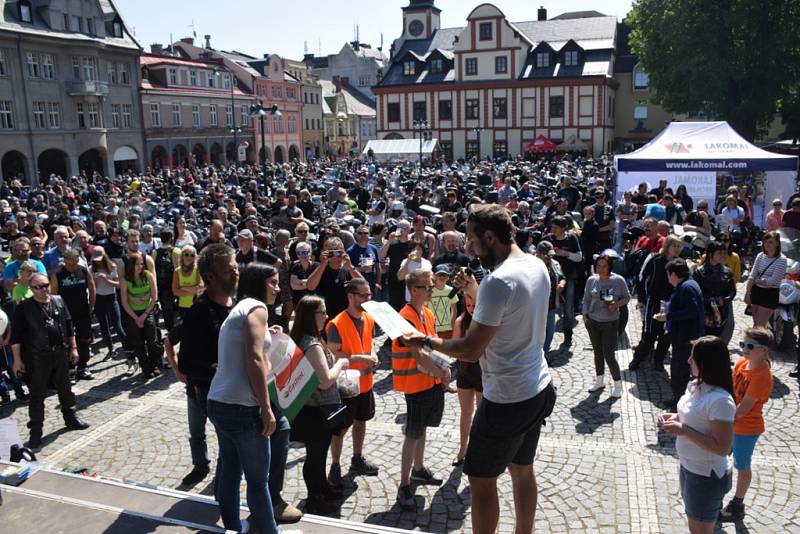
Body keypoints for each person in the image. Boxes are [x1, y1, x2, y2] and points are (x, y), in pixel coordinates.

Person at [403, 204, 556, 534]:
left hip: (507, 398)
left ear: (490, 236)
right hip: (538, 386)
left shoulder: (497, 282)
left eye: (471, 239)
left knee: (481, 480)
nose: (468, 247)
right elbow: (513, 315)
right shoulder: (535, 265)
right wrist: (475, 292)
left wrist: (425, 340)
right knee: (522, 469)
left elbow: (470, 350)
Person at [207, 263, 282, 534]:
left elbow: (248, 350)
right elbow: (254, 357)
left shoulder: (240, 309)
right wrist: (266, 407)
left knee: (230, 469)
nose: (277, 287)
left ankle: (233, 527)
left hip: (218, 401)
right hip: (243, 406)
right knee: (258, 479)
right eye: (273, 282)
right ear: (260, 283)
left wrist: (267, 338)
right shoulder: (257, 309)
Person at [658, 336, 735, 534]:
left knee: (700, 531)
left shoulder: (720, 401)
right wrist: (674, 417)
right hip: (689, 468)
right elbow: (694, 416)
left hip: (706, 476)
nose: (688, 361)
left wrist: (683, 430)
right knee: (695, 527)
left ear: (705, 363)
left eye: (692, 358)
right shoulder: (695, 386)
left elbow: (722, 447)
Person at [392, 269, 450, 510]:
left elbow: (432, 346)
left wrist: (442, 370)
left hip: (429, 381)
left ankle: (418, 469)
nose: (431, 290)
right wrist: (442, 373)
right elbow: (417, 353)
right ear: (414, 290)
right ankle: (404, 485)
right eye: (427, 287)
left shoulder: (426, 312)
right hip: (415, 385)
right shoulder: (404, 317)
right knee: (413, 433)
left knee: (422, 428)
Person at [11, 272, 90, 449]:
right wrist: (17, 360)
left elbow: (69, 326)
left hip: (60, 353)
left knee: (65, 388)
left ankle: (70, 418)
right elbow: (15, 337)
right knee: (37, 395)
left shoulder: (59, 301)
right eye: (38, 287)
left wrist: (74, 348)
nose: (43, 290)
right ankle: (36, 432)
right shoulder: (24, 307)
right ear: (31, 289)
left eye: (45, 285)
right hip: (37, 357)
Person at [289, 295, 350, 515]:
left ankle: (322, 487)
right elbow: (324, 381)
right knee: (315, 457)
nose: (326, 316)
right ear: (310, 316)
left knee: (319, 453)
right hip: (314, 410)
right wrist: (341, 363)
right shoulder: (311, 344)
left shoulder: (306, 337)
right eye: (322, 312)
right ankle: (314, 497)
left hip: (313, 407)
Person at [325, 278, 381, 488]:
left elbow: (371, 343)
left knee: (361, 421)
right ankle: (335, 466)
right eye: (364, 295)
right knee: (340, 428)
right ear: (351, 297)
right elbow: (333, 352)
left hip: (365, 382)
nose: (368, 298)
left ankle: (357, 458)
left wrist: (373, 355)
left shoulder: (368, 318)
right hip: (346, 386)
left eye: (369, 294)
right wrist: (360, 359)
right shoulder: (338, 323)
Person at [719, 327, 774, 523]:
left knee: (742, 465)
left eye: (750, 346)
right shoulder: (742, 362)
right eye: (743, 344)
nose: (745, 349)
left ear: (764, 351)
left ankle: (738, 503)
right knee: (720, 458)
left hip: (746, 428)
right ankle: (716, 494)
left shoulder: (762, 375)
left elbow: (744, 408)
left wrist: (722, 419)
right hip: (731, 423)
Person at [654, 258, 706, 410]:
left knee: (679, 370)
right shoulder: (688, 284)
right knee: (681, 369)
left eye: (668, 274)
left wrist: (668, 317)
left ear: (674, 274)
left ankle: (679, 402)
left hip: (686, 337)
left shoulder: (686, 288)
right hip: (685, 334)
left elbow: (691, 311)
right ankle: (678, 399)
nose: (668, 278)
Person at [629, 235, 683, 372]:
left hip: (671, 303)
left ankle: (658, 361)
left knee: (666, 335)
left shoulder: (680, 263)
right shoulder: (655, 260)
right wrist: (641, 299)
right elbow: (641, 278)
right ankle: (637, 358)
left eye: (679, 246)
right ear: (667, 246)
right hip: (653, 302)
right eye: (674, 246)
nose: (677, 249)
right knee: (649, 335)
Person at [582, 253, 630, 398]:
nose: (601, 269)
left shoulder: (618, 280)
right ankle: (599, 380)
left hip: (610, 323)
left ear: (610, 267)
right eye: (598, 266)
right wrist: (585, 315)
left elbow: (627, 298)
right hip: (593, 322)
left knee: (609, 355)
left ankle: (617, 384)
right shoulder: (591, 280)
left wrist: (616, 304)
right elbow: (586, 299)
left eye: (604, 266)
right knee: (597, 353)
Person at [50, 248, 96, 382]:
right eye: (69, 264)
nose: (72, 267)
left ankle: (83, 367)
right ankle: (70, 369)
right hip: (65, 314)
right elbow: (53, 295)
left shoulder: (83, 270)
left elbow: (92, 289)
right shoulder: (57, 274)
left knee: (84, 339)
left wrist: (91, 306)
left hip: (82, 311)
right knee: (68, 341)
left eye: (75, 263)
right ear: (64, 261)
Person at [120, 251, 160, 378]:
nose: (140, 266)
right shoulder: (126, 280)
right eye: (137, 264)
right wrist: (136, 318)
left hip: (148, 311)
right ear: (131, 265)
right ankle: (146, 368)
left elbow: (154, 297)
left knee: (152, 341)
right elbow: (124, 302)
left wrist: (145, 314)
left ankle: (154, 365)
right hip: (132, 314)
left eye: (142, 264)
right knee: (138, 343)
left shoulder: (148, 275)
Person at [546, 215, 583, 347]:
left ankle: (568, 336)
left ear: (563, 228)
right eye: (552, 227)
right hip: (551, 279)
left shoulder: (572, 238)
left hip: (569, 277)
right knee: (549, 308)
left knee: (568, 308)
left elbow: (579, 257)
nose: (553, 229)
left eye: (556, 227)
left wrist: (566, 254)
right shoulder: (548, 238)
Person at [307, 237, 364, 321]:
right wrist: (323, 265)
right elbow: (310, 286)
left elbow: (364, 286)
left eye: (338, 251)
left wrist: (350, 267)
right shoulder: (319, 267)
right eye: (331, 252)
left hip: (347, 316)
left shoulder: (348, 268)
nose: (335, 255)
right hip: (325, 316)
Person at [692, 241, 736, 338]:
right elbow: (695, 293)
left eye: (724, 253)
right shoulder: (699, 272)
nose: (723, 256)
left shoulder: (727, 272)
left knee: (715, 338)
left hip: (721, 313)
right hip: (703, 311)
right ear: (710, 254)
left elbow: (732, 291)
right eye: (719, 253)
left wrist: (724, 300)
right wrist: (710, 301)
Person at [89, 247, 126, 360]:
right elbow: (92, 287)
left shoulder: (112, 266)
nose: (98, 261)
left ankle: (128, 347)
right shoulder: (91, 268)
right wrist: (94, 280)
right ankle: (111, 349)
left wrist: (106, 278)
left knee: (117, 324)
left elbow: (118, 284)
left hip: (111, 297)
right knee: (103, 326)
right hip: (99, 298)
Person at [744, 231, 786, 328]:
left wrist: (757, 281)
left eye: (770, 242)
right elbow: (752, 275)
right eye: (765, 241)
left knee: (759, 325)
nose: (767, 244)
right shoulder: (760, 256)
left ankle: (761, 341)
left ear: (777, 243)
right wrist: (748, 293)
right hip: (756, 292)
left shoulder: (782, 260)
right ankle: (763, 340)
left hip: (770, 294)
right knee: (756, 324)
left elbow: (773, 281)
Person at [534, 241, 565, 356]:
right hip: (535, 307)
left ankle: (544, 355)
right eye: (547, 256)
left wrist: (562, 283)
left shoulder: (554, 263)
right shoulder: (531, 265)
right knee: (536, 334)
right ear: (538, 253)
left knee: (549, 332)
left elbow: (562, 276)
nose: (550, 258)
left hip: (551, 305)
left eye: (551, 255)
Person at [153, 229, 178, 331]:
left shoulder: (155, 252)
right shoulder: (176, 251)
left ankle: (170, 330)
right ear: (171, 238)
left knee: (166, 310)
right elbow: (178, 269)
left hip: (162, 287)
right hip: (175, 285)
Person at [172, 245, 203, 322]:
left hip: (196, 305)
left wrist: (183, 288)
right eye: (186, 254)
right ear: (182, 255)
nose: (189, 257)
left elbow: (200, 288)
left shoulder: (197, 270)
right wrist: (193, 290)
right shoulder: (177, 271)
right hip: (183, 306)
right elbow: (175, 291)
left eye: (192, 255)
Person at [430, 265, 459, 339]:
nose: (442, 277)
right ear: (434, 276)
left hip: (447, 329)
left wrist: (452, 325)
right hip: (432, 329)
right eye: (439, 274)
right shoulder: (429, 291)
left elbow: (454, 310)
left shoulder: (451, 290)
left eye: (444, 275)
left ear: (448, 277)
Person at [289, 242, 318, 308]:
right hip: (299, 300)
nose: (303, 255)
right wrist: (310, 284)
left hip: (315, 299)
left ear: (310, 253)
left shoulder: (316, 266)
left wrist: (300, 281)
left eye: (305, 252)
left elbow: (318, 284)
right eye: (300, 253)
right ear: (297, 255)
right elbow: (293, 286)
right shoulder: (295, 267)